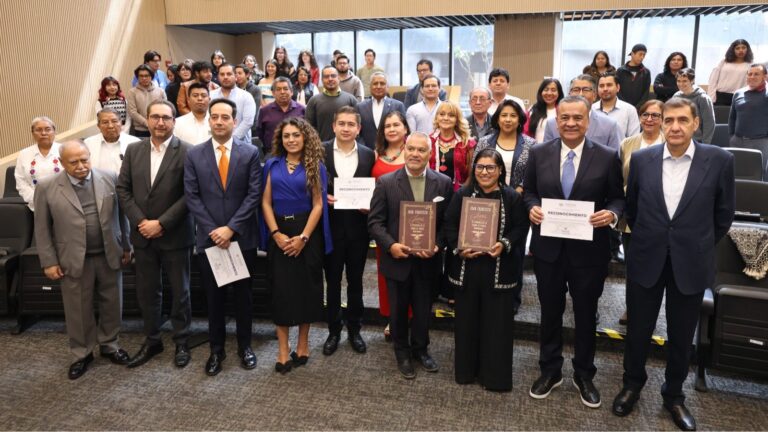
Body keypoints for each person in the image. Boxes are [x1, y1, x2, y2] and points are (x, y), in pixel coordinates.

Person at [614, 97, 735, 431]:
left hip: (691, 261)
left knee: (681, 336)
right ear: (660, 123)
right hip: (647, 256)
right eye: (669, 120)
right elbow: (633, 208)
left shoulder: (720, 160)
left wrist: (694, 242)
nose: (675, 127)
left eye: (683, 120)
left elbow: (723, 216)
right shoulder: (640, 160)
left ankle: (674, 395)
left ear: (696, 123)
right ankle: (632, 384)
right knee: (638, 329)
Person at [524, 95, 625, 408]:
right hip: (549, 250)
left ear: (588, 121)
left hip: (589, 253)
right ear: (556, 118)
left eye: (577, 118)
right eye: (564, 117)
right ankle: (550, 370)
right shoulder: (539, 153)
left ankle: (584, 374)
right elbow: (529, 192)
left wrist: (611, 215)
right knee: (550, 313)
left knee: (584, 316)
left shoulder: (608, 156)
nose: (570, 123)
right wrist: (532, 208)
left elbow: (618, 199)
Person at [33, 140, 132, 379]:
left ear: (90, 156)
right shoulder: (47, 186)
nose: (80, 166)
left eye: (84, 159)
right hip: (73, 259)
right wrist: (49, 261)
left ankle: (110, 344)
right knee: (78, 308)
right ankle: (82, 353)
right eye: (73, 162)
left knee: (112, 303)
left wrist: (127, 246)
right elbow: (43, 228)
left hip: (109, 253)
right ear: (61, 162)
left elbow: (122, 215)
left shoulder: (108, 176)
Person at [184, 98, 262, 376]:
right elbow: (191, 197)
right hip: (209, 239)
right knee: (214, 299)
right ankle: (216, 350)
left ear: (234, 120)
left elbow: (254, 194)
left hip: (242, 238)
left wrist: (231, 228)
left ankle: (245, 347)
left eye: (224, 117)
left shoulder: (250, 153)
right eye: (214, 117)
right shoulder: (194, 154)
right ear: (209, 121)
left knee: (243, 297)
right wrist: (214, 230)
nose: (218, 121)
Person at [116, 100, 195, 369]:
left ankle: (182, 341)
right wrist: (141, 222)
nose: (160, 123)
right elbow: (123, 190)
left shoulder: (187, 152)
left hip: (175, 234)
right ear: (147, 120)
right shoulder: (133, 150)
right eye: (155, 117)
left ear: (174, 121)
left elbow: (190, 195)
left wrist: (161, 223)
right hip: (143, 236)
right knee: (148, 292)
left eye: (166, 118)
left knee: (180, 291)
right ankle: (152, 340)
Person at [368, 132, 453, 379]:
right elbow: (375, 223)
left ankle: (421, 349)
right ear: (405, 150)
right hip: (397, 260)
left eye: (422, 150)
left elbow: (447, 224)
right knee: (398, 310)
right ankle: (402, 352)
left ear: (430, 154)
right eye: (412, 149)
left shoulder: (443, 183)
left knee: (423, 309)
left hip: (428, 261)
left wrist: (437, 245)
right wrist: (391, 245)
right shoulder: (385, 182)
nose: (416, 154)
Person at [443, 148, 529, 391]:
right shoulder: (462, 194)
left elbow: (521, 228)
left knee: (496, 328)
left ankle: (494, 378)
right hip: (467, 270)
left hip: (498, 272)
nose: (485, 172)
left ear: (500, 170)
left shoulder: (512, 198)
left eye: (490, 167)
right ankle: (466, 373)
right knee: (467, 324)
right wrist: (459, 247)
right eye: (480, 167)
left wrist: (504, 244)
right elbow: (449, 224)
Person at [261, 117, 332, 374]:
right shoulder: (271, 165)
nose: (291, 139)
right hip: (279, 231)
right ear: (281, 139)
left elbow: (318, 205)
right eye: (286, 135)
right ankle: (282, 350)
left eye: (296, 135)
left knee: (306, 289)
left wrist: (303, 238)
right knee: (281, 291)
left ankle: (303, 345)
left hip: (306, 233)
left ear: (305, 138)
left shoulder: (316, 166)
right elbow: (265, 203)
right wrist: (276, 234)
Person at [321, 106, 375, 356]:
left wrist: (368, 206)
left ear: (358, 128)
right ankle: (334, 330)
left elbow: (374, 191)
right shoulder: (319, 151)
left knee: (355, 282)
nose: (345, 128)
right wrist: (323, 198)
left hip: (357, 229)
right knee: (332, 282)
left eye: (350, 124)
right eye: (341, 123)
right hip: (329, 229)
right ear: (333, 126)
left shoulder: (368, 155)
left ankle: (355, 329)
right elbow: (309, 185)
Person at [475, 99, 536, 314]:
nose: (508, 119)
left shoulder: (531, 144)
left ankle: (512, 298)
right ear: (497, 118)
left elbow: (534, 176)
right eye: (504, 115)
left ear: (520, 119)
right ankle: (488, 292)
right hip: (487, 203)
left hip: (518, 204)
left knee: (514, 250)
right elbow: (477, 170)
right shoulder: (484, 142)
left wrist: (518, 190)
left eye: (512, 115)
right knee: (487, 246)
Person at [616, 99, 666, 325]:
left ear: (663, 119)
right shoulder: (628, 143)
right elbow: (620, 178)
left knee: (658, 265)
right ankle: (632, 307)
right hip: (632, 215)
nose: (650, 119)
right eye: (645, 114)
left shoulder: (671, 142)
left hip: (662, 217)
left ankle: (653, 312)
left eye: (655, 115)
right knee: (633, 266)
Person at [371, 111, 410, 341]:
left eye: (397, 125)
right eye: (387, 126)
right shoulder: (376, 154)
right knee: (385, 272)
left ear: (405, 128)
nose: (392, 129)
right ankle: (391, 317)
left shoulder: (415, 151)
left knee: (409, 273)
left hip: (410, 220)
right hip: (382, 224)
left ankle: (409, 316)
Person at [544, 74, 623, 150]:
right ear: (569, 94)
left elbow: (615, 160)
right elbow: (546, 157)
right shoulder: (552, 124)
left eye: (586, 90)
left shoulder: (609, 126)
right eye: (576, 90)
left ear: (594, 95)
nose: (580, 94)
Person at [729, 63, 768, 179]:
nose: (752, 76)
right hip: (737, 141)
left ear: (765, 76)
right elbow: (732, 117)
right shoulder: (738, 93)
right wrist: (732, 136)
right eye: (750, 74)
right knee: (735, 173)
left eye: (756, 74)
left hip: (760, 142)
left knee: (758, 175)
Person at [15, 117, 62, 211]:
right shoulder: (24, 154)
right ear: (32, 133)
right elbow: (21, 181)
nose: (43, 133)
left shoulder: (64, 149)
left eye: (48, 129)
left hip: (62, 203)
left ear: (54, 131)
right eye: (38, 130)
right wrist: (35, 198)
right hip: (35, 205)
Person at [429, 101, 476, 191]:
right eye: (442, 114)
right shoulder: (428, 141)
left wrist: (462, 192)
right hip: (433, 191)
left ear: (457, 119)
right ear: (437, 117)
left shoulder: (467, 143)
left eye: (451, 115)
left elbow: (471, 172)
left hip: (459, 192)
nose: (446, 118)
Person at [306, 66, 359, 141]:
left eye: (333, 76)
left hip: (347, 147)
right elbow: (309, 128)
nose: (330, 79)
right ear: (322, 80)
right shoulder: (313, 101)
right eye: (326, 77)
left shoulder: (351, 99)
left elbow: (357, 126)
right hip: (322, 148)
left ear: (339, 78)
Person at [255, 77, 306, 156]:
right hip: (272, 153)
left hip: (297, 153)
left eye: (285, 89)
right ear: (273, 93)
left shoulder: (302, 109)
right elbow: (260, 132)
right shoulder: (264, 111)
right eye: (278, 89)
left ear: (291, 91)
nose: (282, 92)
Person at [358, 72, 406, 151]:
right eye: (375, 83)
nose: (378, 86)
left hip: (391, 151)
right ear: (370, 87)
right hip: (366, 152)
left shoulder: (398, 105)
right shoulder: (360, 107)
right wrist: (364, 150)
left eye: (382, 83)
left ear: (387, 87)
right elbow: (357, 133)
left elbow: (403, 130)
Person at [84, 108, 141, 174]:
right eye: (105, 122)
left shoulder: (135, 143)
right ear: (98, 126)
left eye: (114, 121)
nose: (110, 126)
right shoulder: (88, 143)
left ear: (121, 123)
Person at [210, 63, 257, 142]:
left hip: (241, 145)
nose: (225, 77)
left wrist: (230, 140)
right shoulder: (210, 95)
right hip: (215, 143)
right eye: (222, 74)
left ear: (235, 77)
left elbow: (248, 122)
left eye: (229, 74)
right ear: (218, 77)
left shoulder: (246, 96)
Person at [672, 68, 715, 144]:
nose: (681, 84)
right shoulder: (676, 96)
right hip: (679, 137)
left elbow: (709, 123)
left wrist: (705, 144)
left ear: (692, 81)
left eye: (685, 81)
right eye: (678, 81)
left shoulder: (703, 98)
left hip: (697, 140)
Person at [707, 39, 754, 105]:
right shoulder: (723, 62)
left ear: (747, 49)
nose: (741, 50)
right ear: (733, 50)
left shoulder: (750, 65)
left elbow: (751, 84)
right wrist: (711, 99)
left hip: (740, 97)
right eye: (737, 48)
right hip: (721, 96)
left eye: (743, 47)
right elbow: (713, 80)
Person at [594, 73, 641, 138]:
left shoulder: (630, 110)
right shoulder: (590, 109)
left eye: (609, 85)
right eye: (601, 86)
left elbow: (634, 139)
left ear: (618, 87)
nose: (605, 89)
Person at [126, 64, 166, 137]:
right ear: (137, 77)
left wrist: (155, 123)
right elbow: (132, 111)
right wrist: (147, 123)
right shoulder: (132, 92)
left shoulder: (160, 91)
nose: (144, 78)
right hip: (140, 130)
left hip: (158, 128)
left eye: (147, 76)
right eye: (141, 76)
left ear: (151, 76)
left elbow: (165, 109)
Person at [525, 78, 564, 143]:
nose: (549, 93)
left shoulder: (563, 110)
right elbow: (525, 132)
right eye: (546, 90)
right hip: (535, 150)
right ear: (541, 92)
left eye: (553, 90)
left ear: (559, 93)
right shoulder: (532, 109)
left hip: (556, 150)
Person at [616, 44, 651, 109]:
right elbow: (617, 90)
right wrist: (624, 105)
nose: (642, 57)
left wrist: (638, 107)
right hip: (622, 107)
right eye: (640, 54)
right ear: (632, 54)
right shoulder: (620, 71)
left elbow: (646, 93)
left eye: (644, 55)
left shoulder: (646, 72)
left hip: (638, 109)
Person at [234, 63, 263, 142]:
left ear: (247, 75)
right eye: (235, 73)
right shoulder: (233, 89)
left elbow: (255, 113)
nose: (237, 76)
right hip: (235, 127)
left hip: (252, 127)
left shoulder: (255, 89)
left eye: (240, 73)